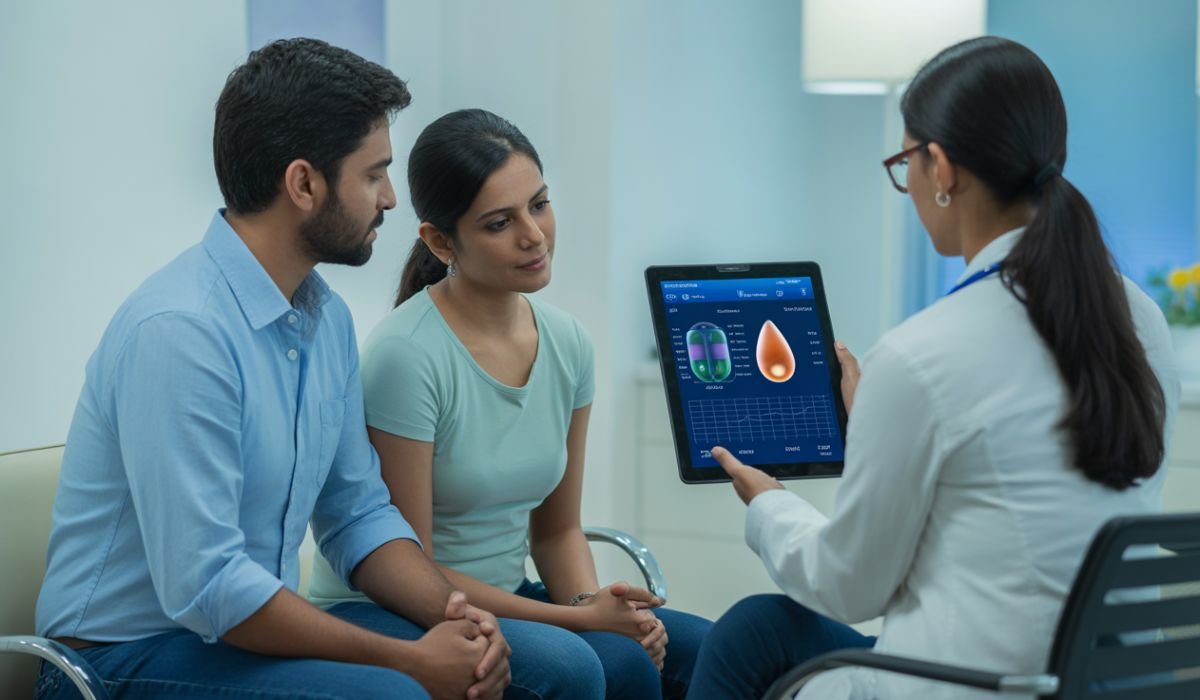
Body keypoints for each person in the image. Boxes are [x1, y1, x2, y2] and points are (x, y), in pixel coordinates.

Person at [685, 36, 1182, 700]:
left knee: (752, 639)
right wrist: (879, 416)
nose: (910, 185)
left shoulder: (923, 355)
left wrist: (770, 502)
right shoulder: (1138, 317)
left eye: (905, 162)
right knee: (757, 629)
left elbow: (847, 586)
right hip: (1096, 678)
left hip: (971, 682)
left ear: (941, 168)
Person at [34, 39, 512, 700]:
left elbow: (358, 514)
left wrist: (454, 617)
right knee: (398, 694)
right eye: (374, 174)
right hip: (114, 663)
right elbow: (210, 587)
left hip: (235, 642)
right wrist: (407, 661)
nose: (390, 199)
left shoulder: (326, 319)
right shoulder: (181, 332)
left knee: (558, 668)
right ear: (304, 184)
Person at [306, 108, 712, 699]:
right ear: (440, 241)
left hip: (506, 597)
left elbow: (557, 532)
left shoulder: (568, 342)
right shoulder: (406, 357)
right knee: (604, 665)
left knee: (710, 648)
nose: (534, 235)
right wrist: (580, 622)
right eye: (500, 223)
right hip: (394, 609)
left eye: (539, 205)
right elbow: (412, 569)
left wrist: (593, 605)